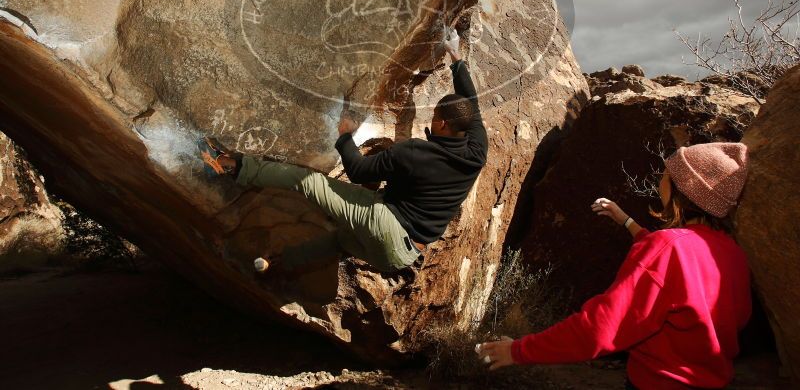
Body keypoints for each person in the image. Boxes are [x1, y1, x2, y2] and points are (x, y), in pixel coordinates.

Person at [199, 28, 487, 274]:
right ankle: (278, 264)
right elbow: (469, 102)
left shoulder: (415, 152)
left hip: (386, 227)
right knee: (338, 241)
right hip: (401, 258)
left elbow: (359, 170)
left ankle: (231, 166)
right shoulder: (476, 153)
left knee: (311, 183)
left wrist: (345, 137)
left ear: (441, 122)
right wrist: (456, 57)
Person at [477, 142, 752, 390]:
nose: (661, 179)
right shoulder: (733, 254)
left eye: (668, 173)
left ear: (683, 188)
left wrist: (518, 350)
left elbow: (601, 327)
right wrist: (626, 221)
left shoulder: (667, 249)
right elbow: (683, 277)